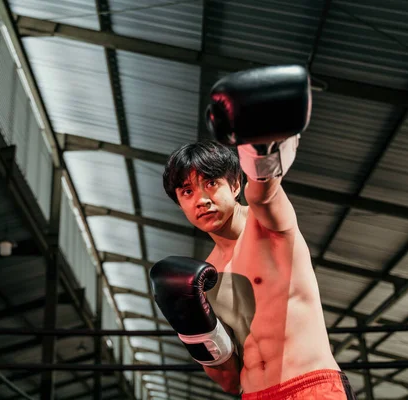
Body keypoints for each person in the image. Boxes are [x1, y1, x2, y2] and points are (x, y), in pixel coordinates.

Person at [149, 65, 357, 399]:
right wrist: (192, 329)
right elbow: (229, 380)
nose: (201, 199)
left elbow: (264, 192)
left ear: (234, 185)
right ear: (180, 204)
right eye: (187, 192)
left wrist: (258, 147)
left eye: (211, 183)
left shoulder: (269, 226)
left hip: (310, 386)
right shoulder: (205, 277)